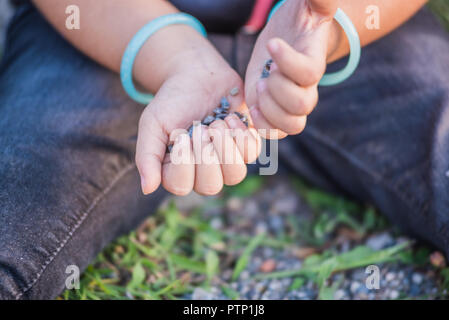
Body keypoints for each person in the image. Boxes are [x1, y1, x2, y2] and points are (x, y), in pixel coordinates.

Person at [0, 0, 447, 299]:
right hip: (118, 30)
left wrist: (324, 29)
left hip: (350, 35)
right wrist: (174, 57)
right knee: (18, 214)